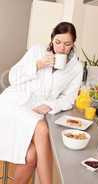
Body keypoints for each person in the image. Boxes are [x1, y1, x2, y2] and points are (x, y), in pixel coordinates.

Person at [0, 22, 83, 184]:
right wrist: (38, 65)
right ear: (52, 39)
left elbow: (69, 98)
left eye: (67, 44)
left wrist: (51, 106)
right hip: (12, 105)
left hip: (35, 110)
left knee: (31, 157)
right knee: (42, 128)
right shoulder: (37, 51)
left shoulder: (76, 68)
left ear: (73, 44)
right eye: (57, 42)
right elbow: (12, 77)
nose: (61, 48)